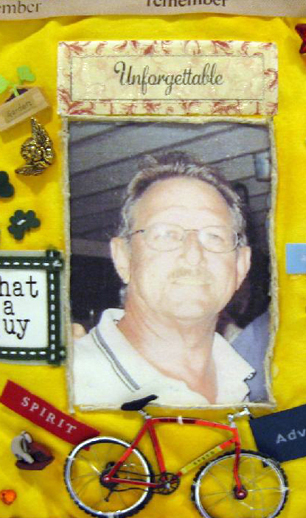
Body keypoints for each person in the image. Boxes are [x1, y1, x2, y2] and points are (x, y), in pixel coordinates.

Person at [71, 152, 270, 407]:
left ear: (241, 265)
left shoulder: (255, 382)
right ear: (123, 258)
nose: (193, 256)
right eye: (165, 234)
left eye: (214, 236)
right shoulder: (65, 383)